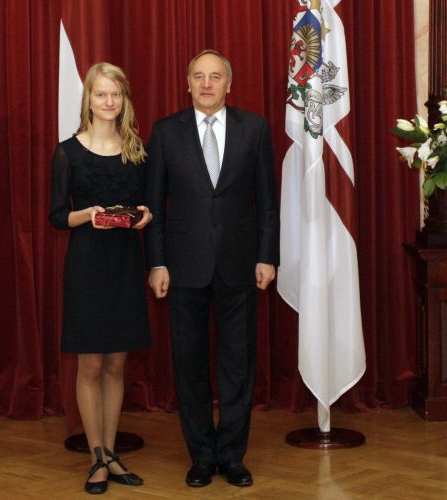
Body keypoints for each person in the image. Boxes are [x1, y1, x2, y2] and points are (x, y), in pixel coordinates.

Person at [145, 49, 280, 488]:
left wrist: (267, 255)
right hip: (182, 267)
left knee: (238, 365)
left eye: (215, 76)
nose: (206, 84)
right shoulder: (165, 132)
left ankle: (233, 456)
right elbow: (155, 206)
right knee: (190, 366)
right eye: (199, 76)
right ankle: (202, 456)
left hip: (240, 264)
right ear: (187, 83)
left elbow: (268, 200)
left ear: (229, 84)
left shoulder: (254, 129)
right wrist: (157, 262)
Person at [49, 62, 151, 495]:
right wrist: (86, 215)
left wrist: (146, 215)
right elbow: (57, 216)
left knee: (116, 363)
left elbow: (147, 205)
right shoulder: (67, 152)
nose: (108, 101)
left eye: (115, 94)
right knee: (90, 363)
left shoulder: (137, 151)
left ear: (123, 100)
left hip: (126, 263)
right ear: (88, 99)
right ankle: (95, 456)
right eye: (101, 94)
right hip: (87, 264)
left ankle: (110, 453)